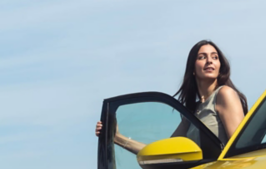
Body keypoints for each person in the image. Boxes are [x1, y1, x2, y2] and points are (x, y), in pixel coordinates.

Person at [95, 40, 248, 154]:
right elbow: (162, 153)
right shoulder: (192, 115)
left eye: (215, 57)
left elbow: (241, 150)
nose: (209, 61)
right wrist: (117, 138)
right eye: (202, 57)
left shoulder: (224, 94)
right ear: (192, 68)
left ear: (220, 66)